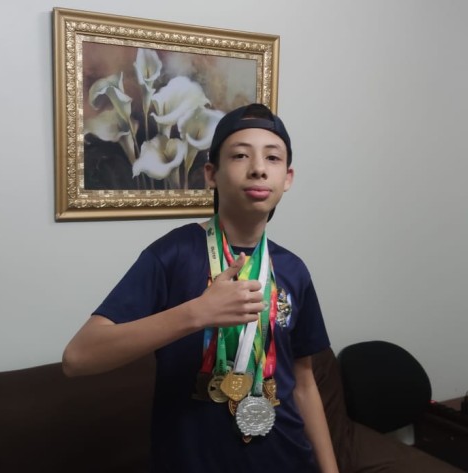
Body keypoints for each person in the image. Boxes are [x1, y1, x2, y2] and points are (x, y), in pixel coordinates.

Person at [62, 103, 338, 473]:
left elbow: (304, 383)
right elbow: (78, 358)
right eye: (240, 155)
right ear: (211, 174)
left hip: (287, 460)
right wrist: (196, 313)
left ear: (287, 178)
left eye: (273, 158)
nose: (258, 168)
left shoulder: (293, 270)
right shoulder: (174, 254)